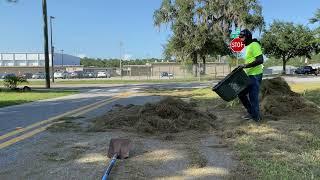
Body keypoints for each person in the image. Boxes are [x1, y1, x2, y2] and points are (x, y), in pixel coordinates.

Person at [238, 29, 264, 122]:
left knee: (253, 97)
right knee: (241, 93)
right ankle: (252, 113)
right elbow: (250, 60)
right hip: (250, 75)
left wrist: (245, 65)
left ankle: (256, 118)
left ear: (247, 36)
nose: (241, 39)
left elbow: (260, 60)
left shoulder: (254, 45)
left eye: (242, 37)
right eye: (240, 37)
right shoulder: (248, 46)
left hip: (255, 75)